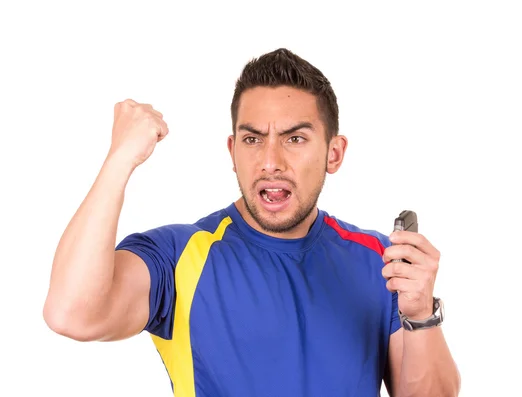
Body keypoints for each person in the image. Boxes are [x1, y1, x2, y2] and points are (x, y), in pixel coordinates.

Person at [43, 48, 460, 397]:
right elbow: (71, 314)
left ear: (334, 154)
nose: (270, 162)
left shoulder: (378, 262)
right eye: (253, 138)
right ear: (232, 151)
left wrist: (421, 312)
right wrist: (120, 160)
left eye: (295, 139)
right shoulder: (178, 256)